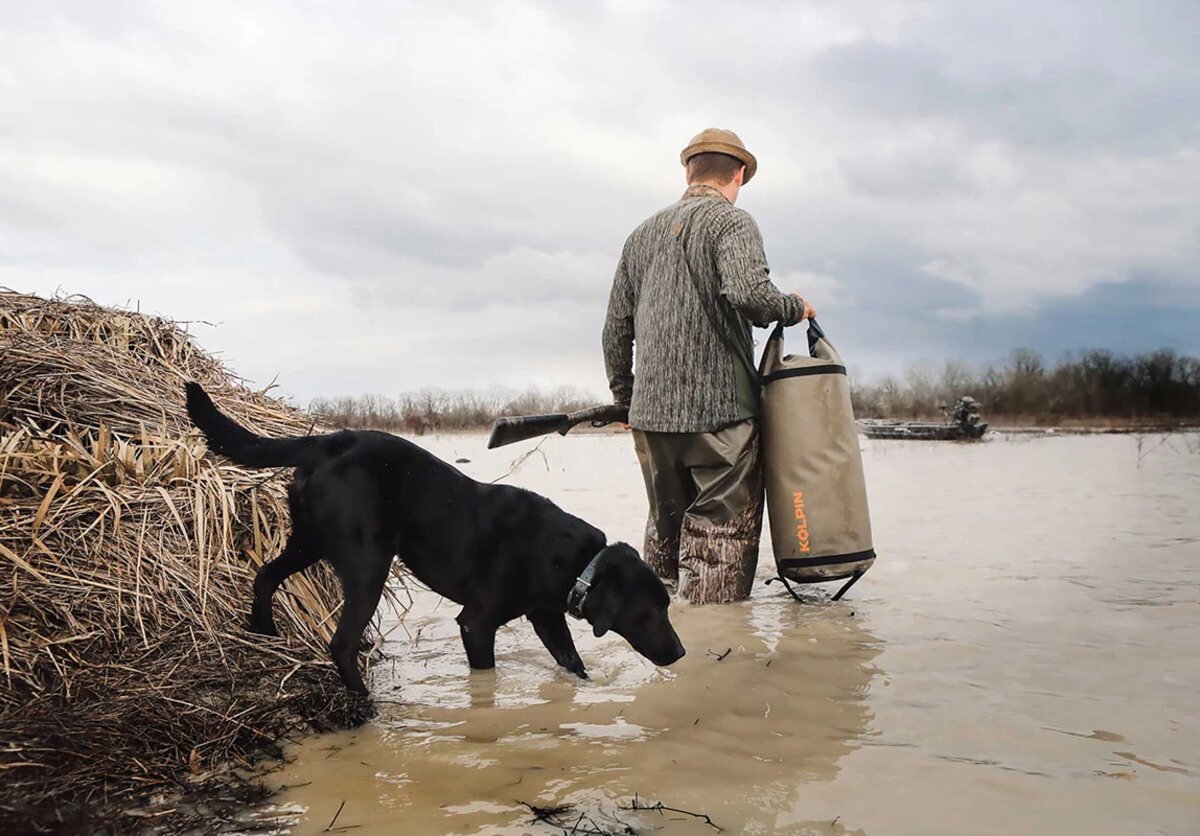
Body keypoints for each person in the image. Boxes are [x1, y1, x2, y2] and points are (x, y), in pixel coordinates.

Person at [602, 127, 816, 605]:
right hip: (720, 415)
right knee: (720, 542)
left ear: (687, 171)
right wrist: (794, 307)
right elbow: (750, 296)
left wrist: (625, 400)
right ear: (739, 173)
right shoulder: (732, 223)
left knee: (665, 535)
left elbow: (615, 329)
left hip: (652, 420)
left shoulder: (640, 235)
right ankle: (716, 654)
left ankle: (658, 638)